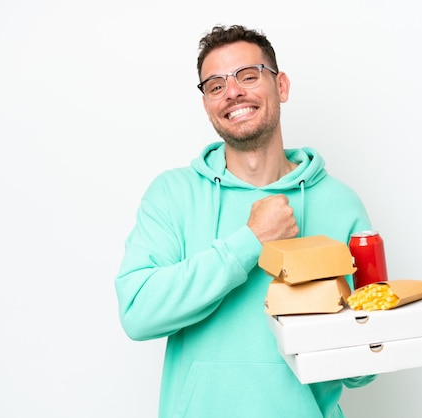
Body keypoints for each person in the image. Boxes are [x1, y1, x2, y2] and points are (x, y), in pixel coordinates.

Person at [115, 24, 376, 418]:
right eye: (215, 85)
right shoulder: (172, 194)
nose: (232, 91)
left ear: (281, 87)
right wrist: (250, 241)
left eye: (248, 76)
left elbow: (363, 368)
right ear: (206, 104)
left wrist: (365, 337)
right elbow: (138, 313)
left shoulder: (340, 203)